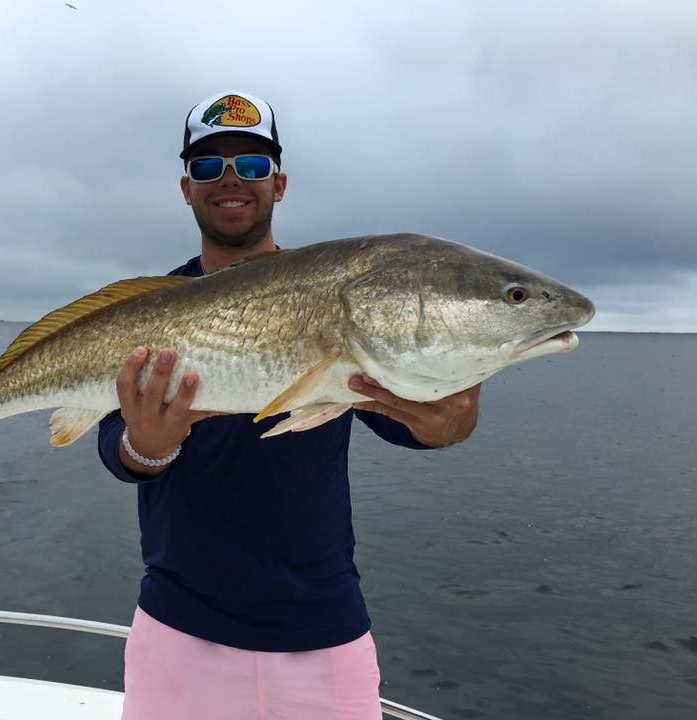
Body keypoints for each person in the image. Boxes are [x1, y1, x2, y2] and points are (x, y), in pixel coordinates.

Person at [97, 91, 481, 720]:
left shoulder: (340, 295)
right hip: (176, 633)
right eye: (207, 166)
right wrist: (148, 446)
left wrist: (452, 422)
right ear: (185, 187)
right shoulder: (147, 314)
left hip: (323, 636)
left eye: (250, 166)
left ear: (278, 185)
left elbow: (420, 425)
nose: (230, 181)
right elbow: (116, 445)